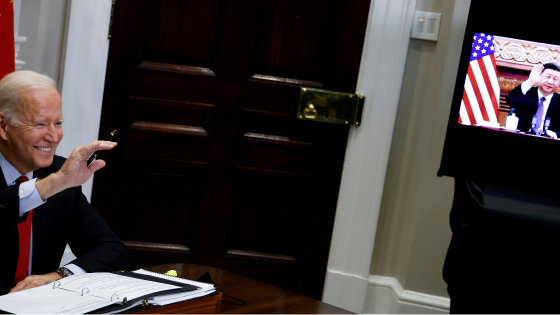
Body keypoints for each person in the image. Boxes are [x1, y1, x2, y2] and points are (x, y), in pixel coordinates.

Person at [0, 71, 128, 295]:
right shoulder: (59, 178)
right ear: (3, 125)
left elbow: (112, 250)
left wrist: (59, 277)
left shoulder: (59, 174)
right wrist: (55, 183)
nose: (54, 136)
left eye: (58, 123)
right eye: (40, 124)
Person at [505, 63, 560, 138]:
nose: (550, 82)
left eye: (555, 79)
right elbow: (510, 100)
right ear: (540, 76)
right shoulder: (527, 93)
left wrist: (555, 134)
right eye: (547, 77)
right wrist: (530, 81)